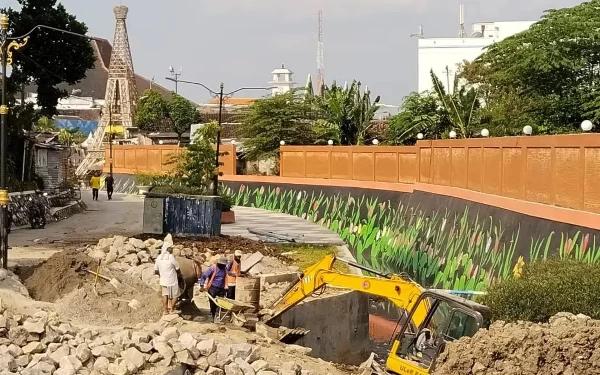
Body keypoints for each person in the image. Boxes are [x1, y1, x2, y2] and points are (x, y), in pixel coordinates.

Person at [154, 243, 183, 315]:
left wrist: (162, 275)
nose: (172, 249)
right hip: (172, 280)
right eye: (170, 248)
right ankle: (172, 310)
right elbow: (177, 268)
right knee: (176, 295)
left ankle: (165, 311)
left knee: (165, 294)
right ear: (167, 249)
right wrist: (180, 274)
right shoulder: (171, 257)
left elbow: (156, 270)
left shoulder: (159, 257)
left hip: (163, 280)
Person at [199, 257, 228, 323]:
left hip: (221, 288)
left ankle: (217, 316)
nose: (223, 266)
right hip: (212, 288)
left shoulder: (225, 269)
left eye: (224, 265)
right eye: (222, 264)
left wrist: (226, 287)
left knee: (220, 303)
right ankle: (212, 315)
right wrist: (201, 285)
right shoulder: (213, 268)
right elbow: (204, 276)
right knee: (213, 303)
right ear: (219, 263)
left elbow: (226, 277)